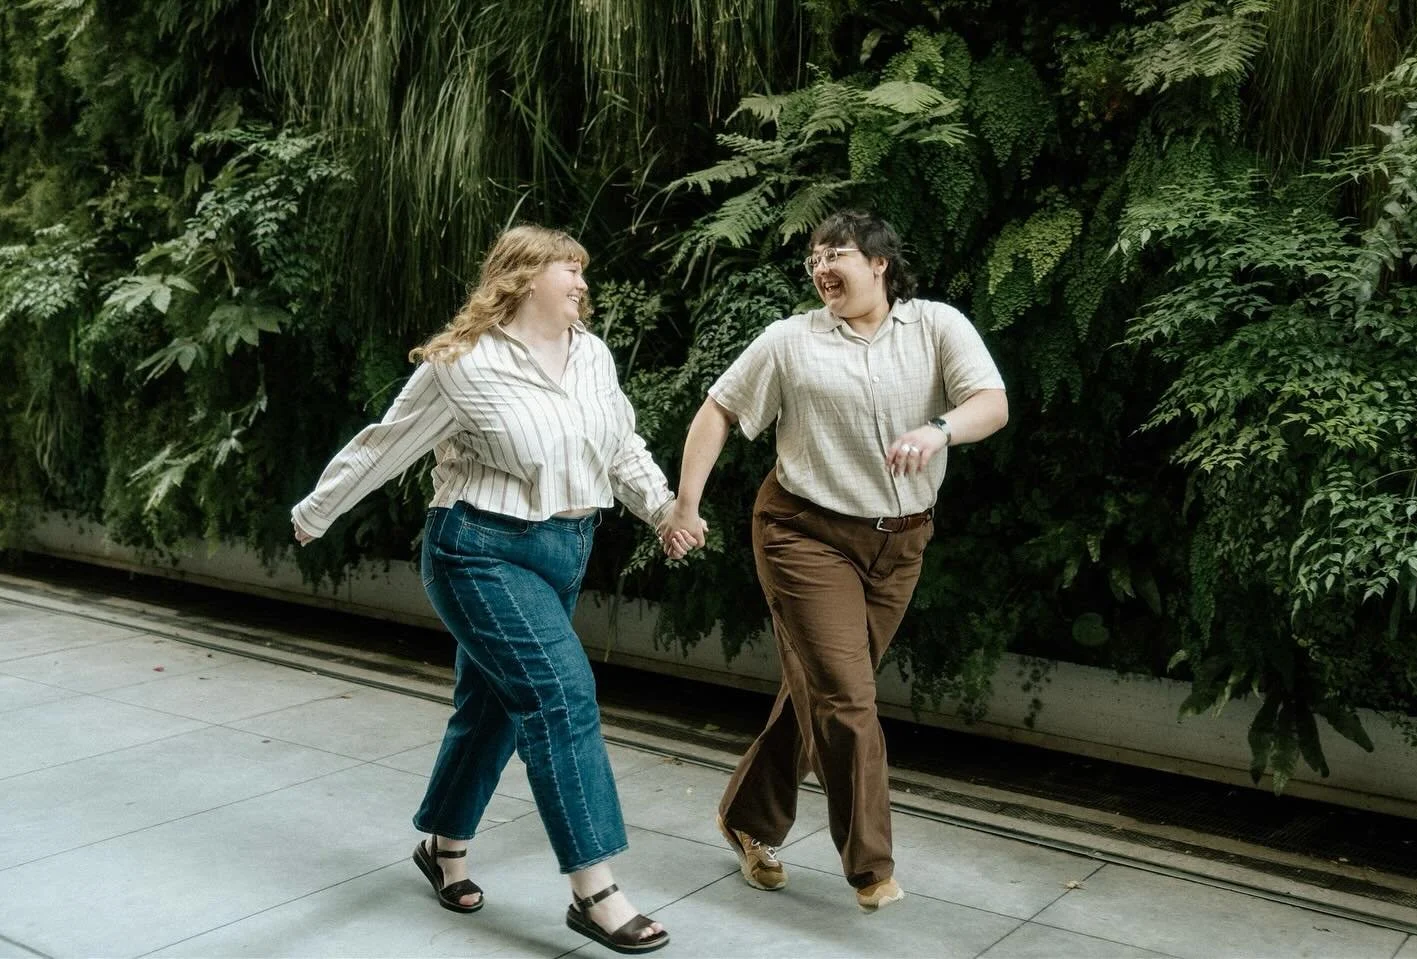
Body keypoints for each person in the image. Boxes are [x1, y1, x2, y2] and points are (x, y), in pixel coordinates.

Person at [292, 225, 689, 954]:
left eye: (582, 269)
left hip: (565, 548)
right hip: (478, 550)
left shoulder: (592, 355)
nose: (581, 280)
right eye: (568, 267)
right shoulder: (461, 364)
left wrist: (661, 507)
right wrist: (317, 511)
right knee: (559, 694)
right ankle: (595, 889)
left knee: (492, 709)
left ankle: (442, 844)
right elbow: (387, 442)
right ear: (522, 276)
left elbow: (621, 443)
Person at [659, 210, 1008, 911]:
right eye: (815, 257)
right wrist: (685, 502)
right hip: (803, 533)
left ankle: (747, 820)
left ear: (879, 263)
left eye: (837, 252)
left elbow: (990, 402)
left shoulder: (936, 325)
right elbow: (719, 409)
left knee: (820, 691)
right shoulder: (790, 341)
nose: (823, 266)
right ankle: (871, 868)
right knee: (848, 698)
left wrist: (938, 431)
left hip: (900, 543)